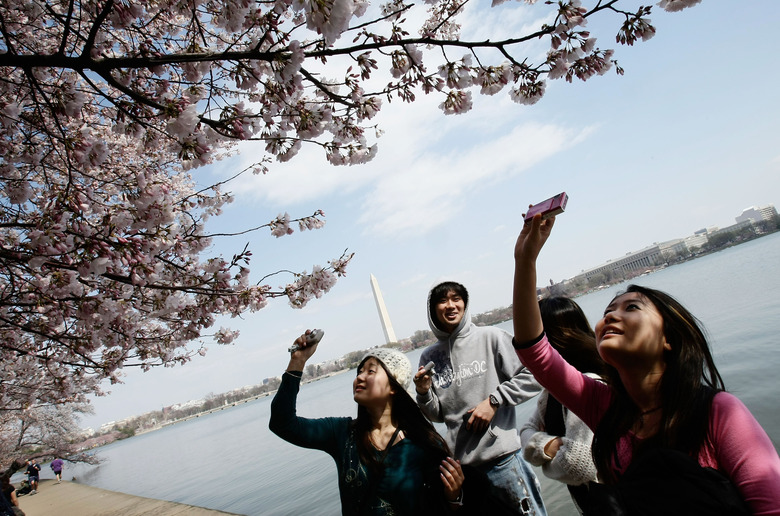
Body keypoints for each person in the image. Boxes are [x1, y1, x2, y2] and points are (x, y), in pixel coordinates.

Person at [511, 214, 780, 515]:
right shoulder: (605, 408)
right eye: (608, 310)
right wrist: (525, 260)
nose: (610, 316)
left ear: (669, 339)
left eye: (632, 307)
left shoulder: (718, 412)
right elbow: (536, 353)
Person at [269, 330, 466, 515]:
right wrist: (298, 361)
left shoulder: (422, 442)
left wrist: (454, 497)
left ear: (394, 386)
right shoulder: (342, 433)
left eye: (371, 371)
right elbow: (282, 423)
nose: (360, 377)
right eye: (359, 372)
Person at [414, 281, 546, 515]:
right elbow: (438, 415)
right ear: (433, 310)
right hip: (466, 471)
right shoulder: (429, 356)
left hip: (503, 461)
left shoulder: (491, 337)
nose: (451, 305)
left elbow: (534, 375)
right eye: (443, 301)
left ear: (465, 304)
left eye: (456, 298)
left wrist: (494, 401)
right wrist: (423, 393)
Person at [519, 297, 605, 514]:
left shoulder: (590, 384)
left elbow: (578, 466)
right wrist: (554, 446)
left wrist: (543, 451)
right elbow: (524, 433)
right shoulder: (551, 394)